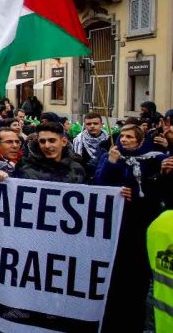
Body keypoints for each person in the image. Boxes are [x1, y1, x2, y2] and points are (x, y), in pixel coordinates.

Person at [93, 124, 168, 331]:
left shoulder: (154, 158)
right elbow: (99, 183)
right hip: (117, 225)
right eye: (122, 136)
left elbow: (159, 190)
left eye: (129, 137)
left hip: (142, 223)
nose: (124, 140)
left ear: (140, 140)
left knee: (138, 277)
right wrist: (111, 164)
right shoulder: (111, 156)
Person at [14, 122, 85, 183]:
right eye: (42, 141)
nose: (47, 146)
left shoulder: (77, 169)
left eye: (52, 140)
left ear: (64, 142)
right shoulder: (25, 168)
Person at [72, 113, 108, 180]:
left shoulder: (109, 141)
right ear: (85, 125)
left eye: (95, 123)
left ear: (101, 125)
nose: (92, 126)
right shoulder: (78, 141)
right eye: (89, 124)